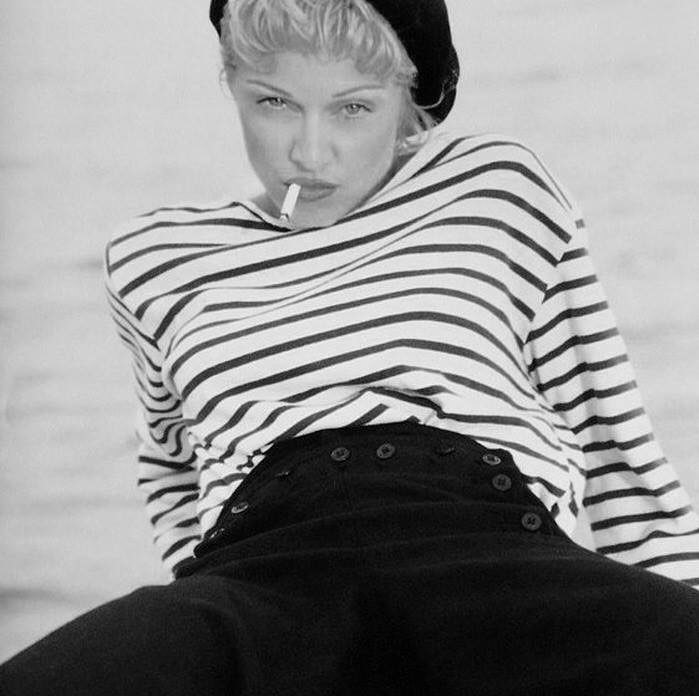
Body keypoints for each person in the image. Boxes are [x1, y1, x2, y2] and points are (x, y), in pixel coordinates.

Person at [2, 0, 698, 694]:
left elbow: (611, 442)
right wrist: (203, 598)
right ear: (231, 83)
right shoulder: (154, 257)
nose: (309, 152)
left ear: (408, 104)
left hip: (485, 551)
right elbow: (171, 463)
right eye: (274, 102)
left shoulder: (498, 190)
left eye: (353, 108)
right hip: (263, 576)